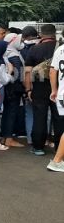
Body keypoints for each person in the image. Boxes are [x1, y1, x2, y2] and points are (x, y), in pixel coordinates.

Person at [25, 24, 59, 156]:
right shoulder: (60, 48)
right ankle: (59, 147)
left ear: (41, 34)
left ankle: (38, 147)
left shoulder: (34, 49)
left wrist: (28, 89)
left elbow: (27, 71)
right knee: (59, 117)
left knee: (39, 116)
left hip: (39, 87)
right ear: (54, 33)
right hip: (58, 87)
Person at [0, 32, 25, 148]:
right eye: (19, 41)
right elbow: (19, 74)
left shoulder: (6, 53)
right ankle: (9, 138)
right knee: (11, 112)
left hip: (7, 87)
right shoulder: (14, 55)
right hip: (14, 89)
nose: (22, 43)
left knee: (7, 112)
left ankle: (5, 137)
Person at [46, 39, 64, 172]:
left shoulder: (60, 49)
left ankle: (57, 160)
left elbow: (52, 71)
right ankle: (57, 160)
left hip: (62, 94)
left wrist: (54, 90)